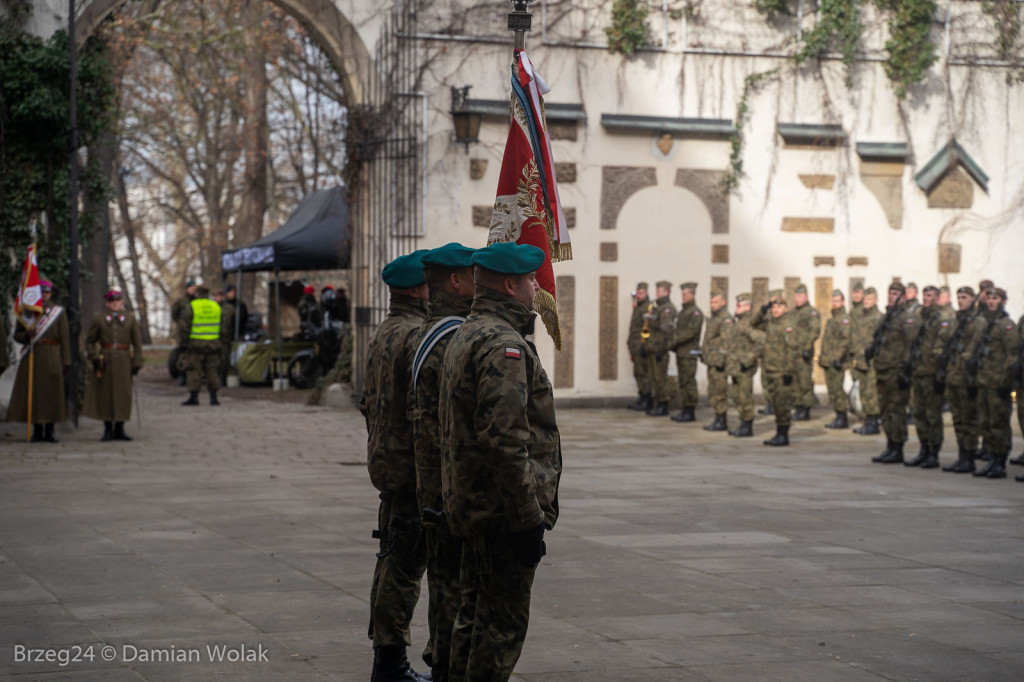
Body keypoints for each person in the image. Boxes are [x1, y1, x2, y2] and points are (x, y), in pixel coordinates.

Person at [439, 242, 561, 682]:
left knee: (471, 617)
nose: (535, 288)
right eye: (530, 280)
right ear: (510, 285)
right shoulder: (502, 345)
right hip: (499, 513)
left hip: (473, 505)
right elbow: (506, 440)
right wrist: (526, 517)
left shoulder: (468, 332)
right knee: (500, 629)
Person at [359, 250, 430, 682]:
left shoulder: (386, 331)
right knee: (403, 569)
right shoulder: (416, 335)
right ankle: (391, 665)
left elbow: (368, 402)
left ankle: (388, 659)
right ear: (418, 288)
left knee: (391, 561)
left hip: (387, 462)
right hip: (411, 469)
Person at [407, 243, 476, 682]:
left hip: (429, 477)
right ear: (455, 281)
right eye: (471, 273)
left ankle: (440, 660)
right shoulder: (451, 336)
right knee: (456, 583)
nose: (477, 280)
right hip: (448, 481)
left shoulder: (426, 331)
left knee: (443, 580)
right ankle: (447, 666)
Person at [7, 280, 70, 442]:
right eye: (41, 292)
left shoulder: (58, 312)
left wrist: (66, 361)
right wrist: (27, 335)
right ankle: (37, 430)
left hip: (51, 357)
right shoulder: (28, 312)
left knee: (51, 394)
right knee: (33, 394)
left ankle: (50, 431)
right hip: (32, 356)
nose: (44, 295)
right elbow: (17, 335)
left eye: (47, 292)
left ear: (51, 293)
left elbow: (64, 338)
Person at [966, 288, 1018, 479]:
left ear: (1003, 301)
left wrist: (1006, 382)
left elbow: (1012, 356)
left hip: (998, 383)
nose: (991, 302)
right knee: (986, 423)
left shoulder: (1006, 326)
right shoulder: (986, 324)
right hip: (984, 381)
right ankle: (991, 458)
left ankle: (1000, 461)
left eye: (995, 298)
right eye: (989, 298)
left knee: (999, 424)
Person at [81, 291, 144, 441]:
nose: (115, 303)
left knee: (123, 394)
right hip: (105, 361)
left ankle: (120, 429)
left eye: (117, 301)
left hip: (123, 361)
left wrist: (137, 362)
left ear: (121, 302)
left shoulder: (130, 319)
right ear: (107, 303)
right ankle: (108, 429)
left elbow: (137, 343)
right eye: (112, 301)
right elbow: (90, 341)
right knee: (106, 394)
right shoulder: (99, 319)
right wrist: (94, 357)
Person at [938, 286, 983, 473]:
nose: (961, 301)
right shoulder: (956, 321)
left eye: (964, 297)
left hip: (967, 378)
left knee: (969, 420)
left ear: (973, 299)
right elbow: (944, 344)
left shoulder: (977, 322)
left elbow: (974, 349)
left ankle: (970, 457)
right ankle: (962, 455)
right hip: (953, 377)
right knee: (958, 420)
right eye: (959, 297)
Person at [868, 282, 915, 464]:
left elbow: (911, 346)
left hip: (896, 371)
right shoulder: (887, 317)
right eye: (890, 293)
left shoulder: (906, 318)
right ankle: (890, 445)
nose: (891, 297)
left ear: (903, 297)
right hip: (883, 370)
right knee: (886, 410)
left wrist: (905, 371)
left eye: (895, 294)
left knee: (896, 411)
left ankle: (898, 448)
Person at [904, 286, 949, 468]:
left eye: (930, 295)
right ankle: (923, 448)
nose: (925, 298)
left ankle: (933, 452)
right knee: (919, 414)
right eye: (924, 295)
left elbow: (941, 349)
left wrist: (940, 373)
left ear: (937, 298)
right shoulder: (919, 318)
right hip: (918, 373)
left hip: (931, 374)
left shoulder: (941, 320)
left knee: (932, 415)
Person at [751, 290, 800, 446]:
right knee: (776, 403)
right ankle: (779, 433)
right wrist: (762, 310)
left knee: (782, 404)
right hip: (770, 369)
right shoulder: (771, 322)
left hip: (781, 371)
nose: (775, 310)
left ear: (785, 308)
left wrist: (788, 371)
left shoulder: (788, 325)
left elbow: (792, 350)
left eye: (779, 307)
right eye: (773, 307)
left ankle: (783, 434)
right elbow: (752, 323)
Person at [179, 285, 223, 406]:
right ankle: (214, 398)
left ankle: (194, 397)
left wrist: (183, 344)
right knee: (212, 370)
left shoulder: (192, 306)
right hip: (213, 343)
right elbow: (223, 326)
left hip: (195, 344)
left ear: (197, 293)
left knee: (194, 370)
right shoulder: (216, 306)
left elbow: (184, 327)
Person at [724, 293, 760, 437]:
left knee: (745, 397)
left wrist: (748, 360)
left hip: (744, 368)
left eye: (739, 305)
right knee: (737, 397)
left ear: (747, 307)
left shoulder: (749, 322)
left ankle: (747, 426)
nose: (736, 308)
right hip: (736, 367)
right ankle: (742, 424)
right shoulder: (738, 322)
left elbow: (761, 342)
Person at [851, 286, 883, 434]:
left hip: (872, 362)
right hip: (860, 361)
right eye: (865, 299)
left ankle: (873, 422)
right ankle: (867, 421)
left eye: (870, 299)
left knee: (872, 393)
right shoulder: (860, 317)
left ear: (876, 300)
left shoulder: (879, 318)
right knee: (863, 392)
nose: (866, 301)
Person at [670, 282, 703, 422]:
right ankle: (685, 408)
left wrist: (674, 342)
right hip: (682, 352)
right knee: (683, 381)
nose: (683, 297)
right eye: (682, 294)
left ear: (693, 295)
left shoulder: (695, 312)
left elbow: (690, 332)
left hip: (689, 353)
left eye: (686, 294)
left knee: (688, 381)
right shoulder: (684, 312)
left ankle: (690, 409)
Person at [819, 289, 852, 429]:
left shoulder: (844, 319)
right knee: (832, 390)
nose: (835, 303)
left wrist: (838, 358)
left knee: (837, 390)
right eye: (833, 301)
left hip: (836, 362)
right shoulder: (832, 320)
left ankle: (842, 416)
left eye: (837, 301)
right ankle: (838, 415)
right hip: (829, 361)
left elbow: (845, 341)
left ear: (843, 302)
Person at [644, 280, 677, 417]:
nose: (657, 293)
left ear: (666, 292)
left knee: (660, 378)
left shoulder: (667, 308)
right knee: (654, 378)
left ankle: (663, 405)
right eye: (656, 290)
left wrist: (661, 349)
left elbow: (667, 331)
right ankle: (657, 403)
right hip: (653, 347)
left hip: (659, 349)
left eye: (659, 291)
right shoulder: (657, 307)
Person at [701, 289, 731, 432]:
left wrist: (720, 360)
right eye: (711, 302)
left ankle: (721, 419)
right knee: (713, 390)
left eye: (716, 302)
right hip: (711, 360)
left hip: (719, 362)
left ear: (723, 302)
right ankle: (717, 417)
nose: (712, 305)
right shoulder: (713, 317)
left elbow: (726, 342)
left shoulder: (725, 318)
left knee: (719, 391)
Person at [792, 283, 820, 421]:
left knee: (804, 382)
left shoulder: (811, 312)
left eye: (800, 296)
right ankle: (798, 407)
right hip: (793, 353)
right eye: (796, 296)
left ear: (806, 296)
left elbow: (814, 331)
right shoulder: (792, 313)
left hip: (804, 353)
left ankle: (806, 409)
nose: (798, 298)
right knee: (795, 383)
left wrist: (807, 347)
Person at [626, 283, 653, 411]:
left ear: (646, 293)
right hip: (635, 346)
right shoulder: (638, 307)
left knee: (644, 375)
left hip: (642, 347)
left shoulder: (648, 307)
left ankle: (647, 400)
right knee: (638, 374)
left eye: (641, 293)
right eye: (638, 293)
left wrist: (645, 345)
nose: (638, 295)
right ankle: (642, 398)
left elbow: (649, 328)